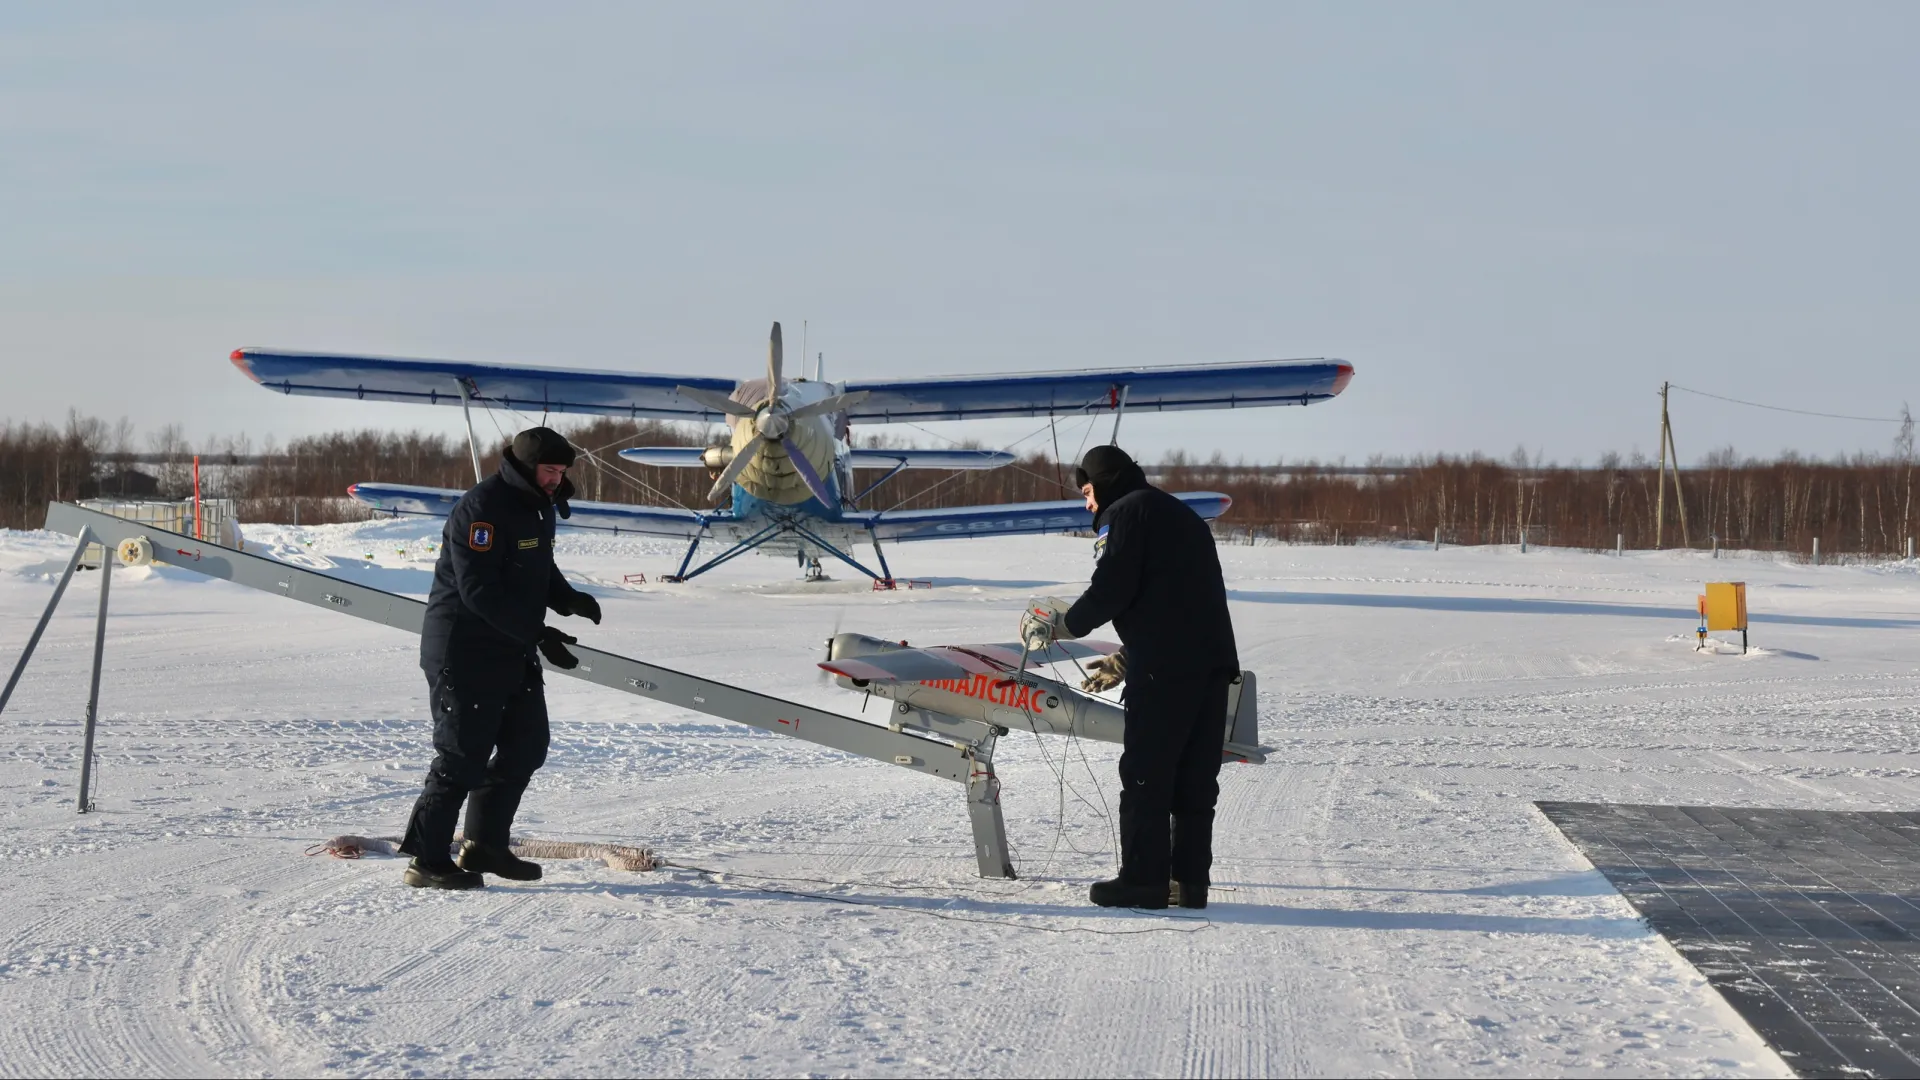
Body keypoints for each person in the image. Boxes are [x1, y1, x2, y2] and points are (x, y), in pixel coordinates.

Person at [1020, 445, 1239, 910]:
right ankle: (1189, 882)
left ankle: (1143, 880)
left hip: (1164, 669)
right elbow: (1175, 599)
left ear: (1107, 482)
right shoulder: (1182, 516)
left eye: (1087, 492)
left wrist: (1064, 625)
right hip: (1213, 664)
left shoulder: (1128, 511)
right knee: (1194, 777)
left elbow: (1112, 587)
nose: (1087, 504)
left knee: (1147, 773)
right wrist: (1125, 656)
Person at [399, 427, 603, 889]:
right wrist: (541, 634)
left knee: (527, 746)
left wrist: (567, 598)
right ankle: (426, 861)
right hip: (464, 648)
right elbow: (477, 591)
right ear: (527, 465)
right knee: (461, 758)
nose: (557, 479)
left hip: (510, 646)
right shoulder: (483, 508)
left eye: (563, 471)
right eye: (550, 470)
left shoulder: (536, 506)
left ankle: (485, 845)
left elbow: (536, 564)